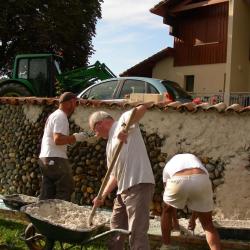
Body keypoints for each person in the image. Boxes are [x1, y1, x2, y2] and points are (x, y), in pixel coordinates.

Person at [88, 104, 155, 250]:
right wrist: (103, 195)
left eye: (94, 130)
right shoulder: (109, 144)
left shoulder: (122, 121)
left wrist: (125, 127)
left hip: (138, 184)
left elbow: (142, 109)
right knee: (116, 229)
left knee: (137, 233)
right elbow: (114, 174)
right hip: (123, 189)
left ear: (100, 124)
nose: (96, 135)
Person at [161, 153, 221, 250]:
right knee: (208, 224)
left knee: (166, 210)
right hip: (201, 179)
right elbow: (198, 204)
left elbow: (169, 205)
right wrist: (193, 220)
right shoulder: (195, 161)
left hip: (178, 178)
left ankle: (166, 246)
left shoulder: (168, 166)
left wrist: (175, 223)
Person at [39, 92, 86, 201]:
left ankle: (41, 215)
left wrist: (72, 139)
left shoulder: (54, 115)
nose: (75, 106)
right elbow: (58, 140)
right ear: (69, 103)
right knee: (65, 189)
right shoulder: (61, 116)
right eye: (75, 103)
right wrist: (76, 137)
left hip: (45, 157)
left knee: (48, 192)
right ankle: (58, 216)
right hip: (56, 158)